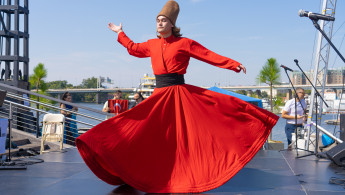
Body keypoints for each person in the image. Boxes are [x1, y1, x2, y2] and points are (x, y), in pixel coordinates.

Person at [76, 1, 278, 193]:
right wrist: (120, 33)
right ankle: (141, 169)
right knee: (142, 131)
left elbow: (207, 54)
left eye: (163, 20)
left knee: (186, 135)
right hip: (159, 96)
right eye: (157, 20)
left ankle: (187, 172)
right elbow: (134, 48)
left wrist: (232, 64)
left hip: (179, 95)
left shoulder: (184, 43)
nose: (159, 23)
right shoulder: (152, 44)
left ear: (172, 24)